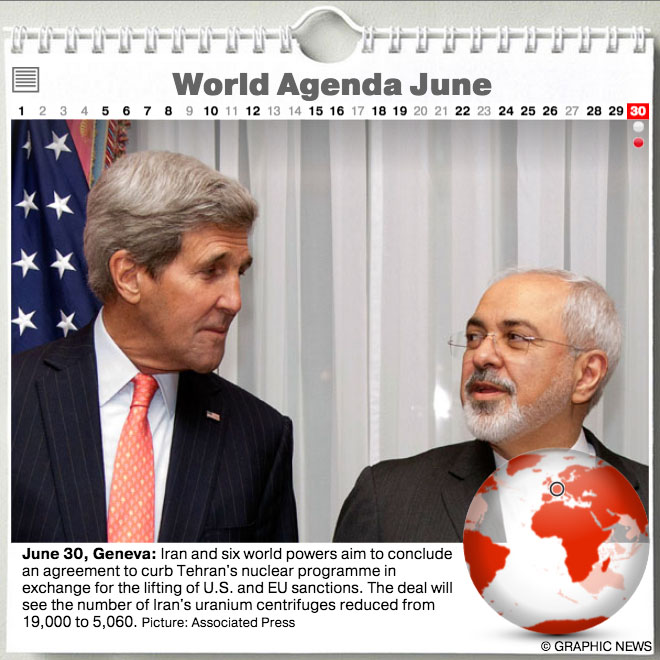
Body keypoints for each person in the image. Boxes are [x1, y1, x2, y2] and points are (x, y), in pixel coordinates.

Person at [12, 151, 298, 543]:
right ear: (129, 276)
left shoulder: (259, 436)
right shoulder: (14, 401)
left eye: (239, 273)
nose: (234, 301)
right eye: (211, 271)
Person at [334, 269, 648, 542]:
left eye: (516, 338)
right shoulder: (388, 499)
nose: (481, 356)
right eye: (474, 336)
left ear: (586, 375)